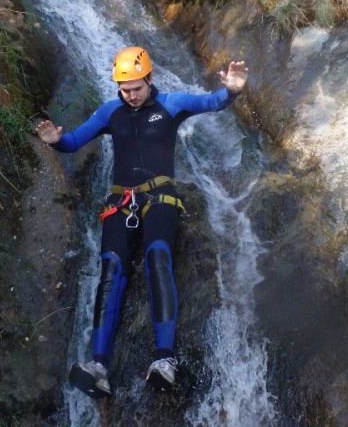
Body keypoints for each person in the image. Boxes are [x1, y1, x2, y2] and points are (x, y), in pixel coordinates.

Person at [36, 46, 248, 398]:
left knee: (157, 260)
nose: (130, 95)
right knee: (110, 271)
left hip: (160, 199)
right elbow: (73, 141)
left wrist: (233, 90)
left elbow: (211, 102)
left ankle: (165, 360)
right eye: (124, 88)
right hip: (121, 202)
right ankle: (98, 366)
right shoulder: (110, 112)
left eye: (136, 87)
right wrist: (56, 141)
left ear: (149, 79)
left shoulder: (171, 104)